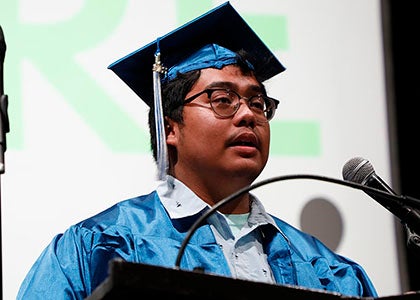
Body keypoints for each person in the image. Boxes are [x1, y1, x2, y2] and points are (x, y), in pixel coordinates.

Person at [17, 2, 378, 299]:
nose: (247, 115)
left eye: (258, 102)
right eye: (223, 100)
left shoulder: (330, 273)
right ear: (169, 128)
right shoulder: (97, 249)